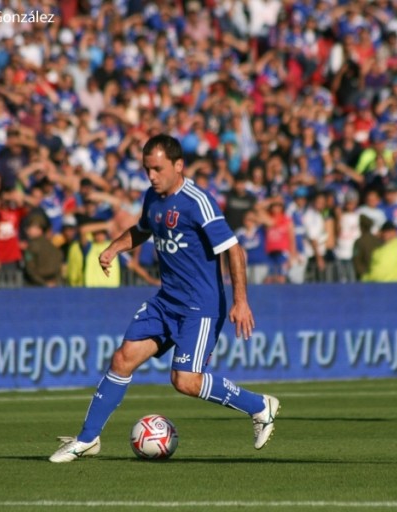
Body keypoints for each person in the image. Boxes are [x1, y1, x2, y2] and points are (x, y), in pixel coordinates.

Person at [49, 134, 279, 463]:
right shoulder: (153, 198)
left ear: (178, 165)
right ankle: (87, 439)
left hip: (200, 307)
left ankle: (260, 406)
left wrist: (240, 301)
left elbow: (233, 248)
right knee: (122, 359)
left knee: (184, 381)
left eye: (157, 169)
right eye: (147, 170)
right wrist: (115, 247)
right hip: (165, 302)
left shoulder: (197, 201)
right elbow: (144, 228)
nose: (151, 176)